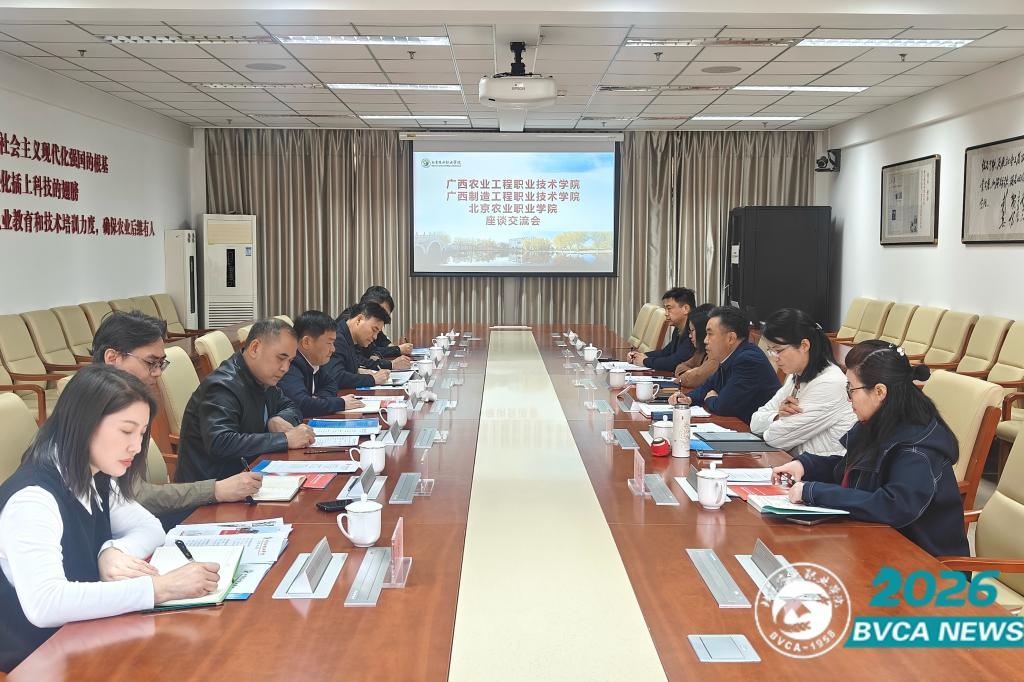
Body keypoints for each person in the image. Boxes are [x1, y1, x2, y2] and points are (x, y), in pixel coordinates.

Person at [0, 365, 220, 671]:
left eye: (141, 433)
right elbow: (45, 604)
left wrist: (113, 551)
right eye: (126, 431)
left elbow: (150, 528)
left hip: (88, 637)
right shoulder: (32, 500)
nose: (136, 446)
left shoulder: (95, 474)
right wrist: (161, 588)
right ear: (83, 423)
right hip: (38, 659)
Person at [772, 340, 968, 558]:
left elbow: (893, 506)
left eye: (851, 389)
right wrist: (806, 466)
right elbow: (853, 472)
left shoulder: (917, 449)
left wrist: (814, 492)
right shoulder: (881, 422)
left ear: (879, 391)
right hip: (881, 546)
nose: (848, 398)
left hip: (926, 565)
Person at [88, 311, 264, 521]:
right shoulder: (92, 413)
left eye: (161, 363)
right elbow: (131, 496)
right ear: (112, 358)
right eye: (150, 363)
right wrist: (215, 490)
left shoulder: (131, 403)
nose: (158, 373)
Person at [175, 319, 315, 483]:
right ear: (255, 348)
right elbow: (221, 442)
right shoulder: (222, 386)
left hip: (248, 475)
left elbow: (290, 406)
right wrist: (284, 439)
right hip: (212, 488)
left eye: (290, 361)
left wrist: (277, 419)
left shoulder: (262, 378)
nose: (285, 368)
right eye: (280, 358)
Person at [749, 309, 858, 456]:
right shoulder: (796, 375)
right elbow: (755, 422)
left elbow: (776, 438)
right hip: (796, 462)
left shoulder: (830, 383)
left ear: (804, 345)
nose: (775, 357)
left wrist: (777, 422)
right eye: (771, 350)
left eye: (778, 350)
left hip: (825, 467)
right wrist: (778, 416)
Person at [673, 306, 780, 424]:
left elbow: (723, 406)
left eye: (710, 334)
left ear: (731, 338)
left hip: (754, 430)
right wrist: (688, 399)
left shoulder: (748, 360)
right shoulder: (730, 355)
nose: (705, 340)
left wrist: (710, 398)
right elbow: (707, 386)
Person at [278, 310, 365, 417]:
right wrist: (340, 403)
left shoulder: (313, 362)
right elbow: (301, 405)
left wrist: (319, 399)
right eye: (329, 343)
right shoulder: (291, 364)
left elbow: (331, 384)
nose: (333, 349)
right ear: (306, 342)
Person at [337, 286, 413, 371]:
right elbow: (357, 360)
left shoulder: (371, 325)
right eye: (380, 311)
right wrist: (392, 359)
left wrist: (377, 354)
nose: (382, 316)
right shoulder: (345, 326)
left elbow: (376, 347)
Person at [627, 287, 696, 371]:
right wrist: (641, 355)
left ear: (686, 309)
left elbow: (675, 362)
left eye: (669, 308)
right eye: (665, 309)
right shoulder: (679, 328)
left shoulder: (694, 332)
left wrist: (645, 361)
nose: (666, 313)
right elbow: (665, 352)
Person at [331, 301, 392, 388]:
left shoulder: (349, 337)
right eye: (374, 330)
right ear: (359, 320)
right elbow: (336, 376)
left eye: (378, 333)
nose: (375, 337)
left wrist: (359, 371)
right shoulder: (337, 337)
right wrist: (373, 379)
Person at [672, 304, 717, 389]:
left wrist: (692, 373)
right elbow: (679, 367)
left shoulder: (716, 355)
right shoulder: (701, 351)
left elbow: (694, 379)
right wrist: (692, 372)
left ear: (701, 331)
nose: (690, 336)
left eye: (692, 331)